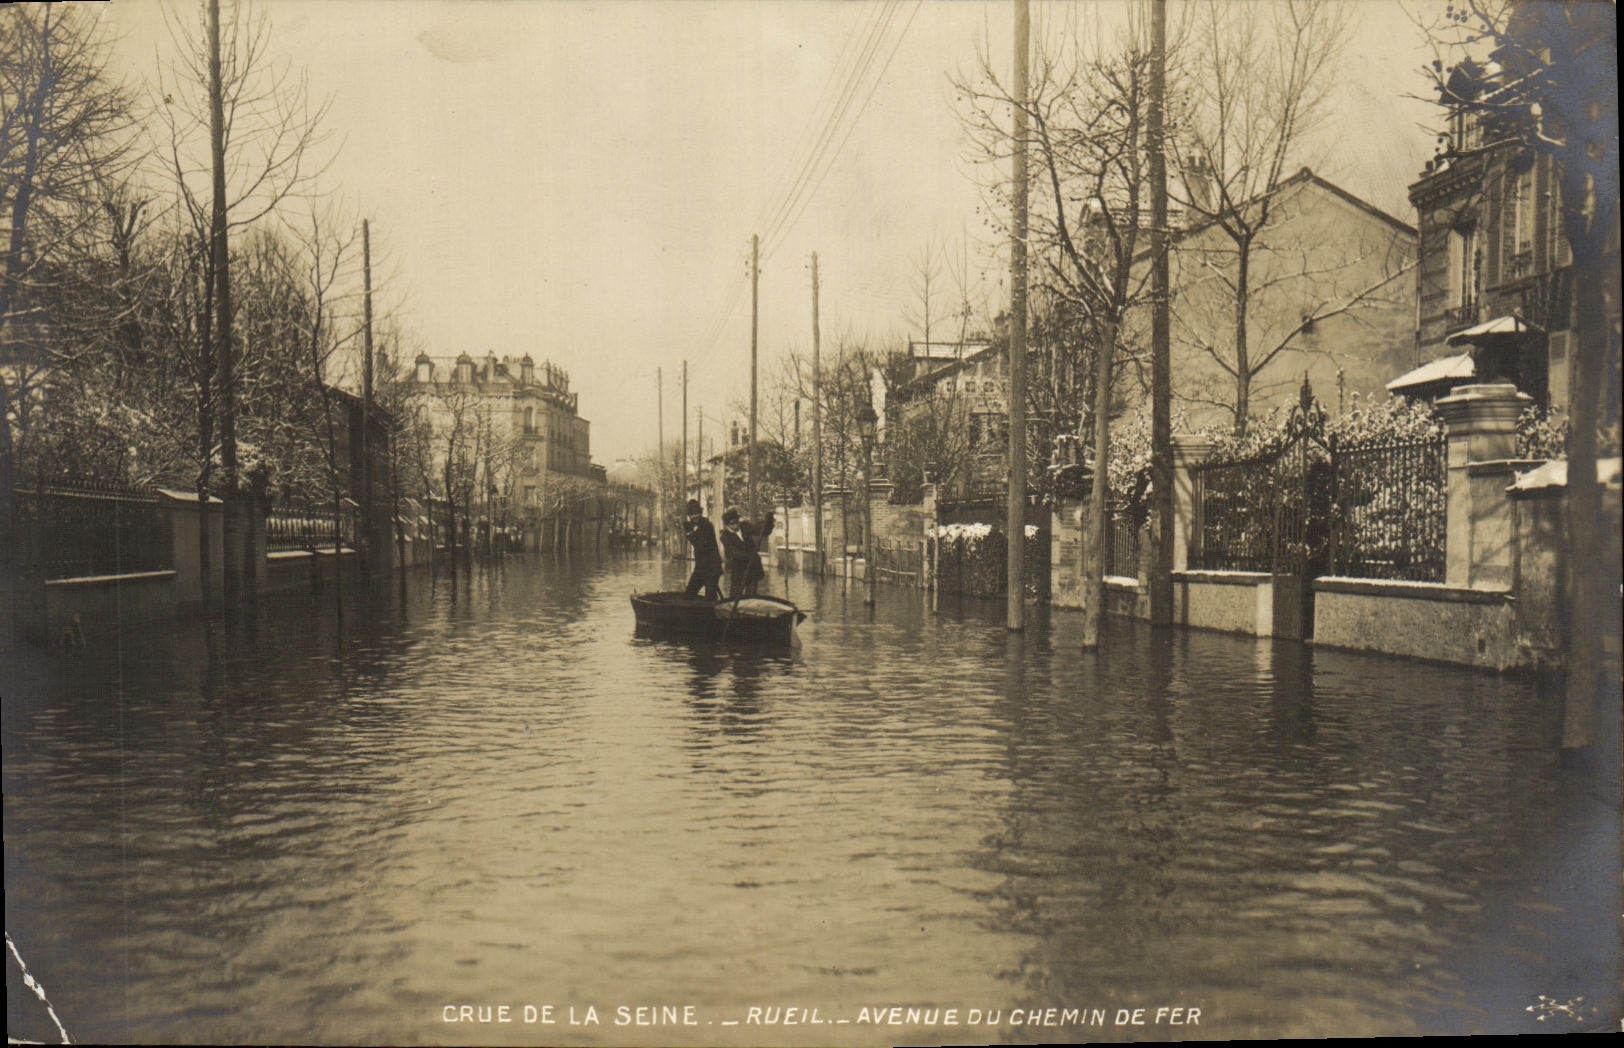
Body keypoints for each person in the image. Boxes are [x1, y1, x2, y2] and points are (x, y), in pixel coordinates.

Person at [721, 507, 775, 599]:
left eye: (736, 522)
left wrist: (768, 523)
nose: (735, 525)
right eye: (732, 524)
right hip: (739, 570)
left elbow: (760, 530)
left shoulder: (745, 526)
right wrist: (750, 556)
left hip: (753, 568)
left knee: (750, 597)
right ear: (727, 525)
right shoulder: (725, 537)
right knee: (734, 598)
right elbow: (734, 553)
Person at [682, 499, 723, 599]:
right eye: (692, 514)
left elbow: (700, 546)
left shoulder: (707, 526)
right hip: (700, 568)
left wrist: (690, 533)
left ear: (700, 513)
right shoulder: (694, 526)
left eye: (696, 513)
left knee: (710, 598)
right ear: (689, 516)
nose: (694, 516)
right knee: (689, 594)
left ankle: (712, 613)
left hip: (712, 569)